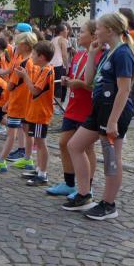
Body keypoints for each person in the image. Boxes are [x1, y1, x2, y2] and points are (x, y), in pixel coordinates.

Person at [63, 12, 134, 220]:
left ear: (110, 30)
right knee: (74, 145)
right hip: (99, 109)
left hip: (114, 112)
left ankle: (109, 204)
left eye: (98, 28)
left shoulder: (123, 53)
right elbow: (89, 80)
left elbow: (124, 90)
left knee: (112, 158)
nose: (96, 32)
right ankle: (84, 195)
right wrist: (91, 53)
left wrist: (113, 121)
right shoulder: (108, 52)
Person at [46, 20, 101, 197]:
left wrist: (81, 84)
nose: (78, 34)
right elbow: (74, 75)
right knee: (63, 143)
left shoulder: (100, 56)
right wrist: (67, 80)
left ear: (93, 35)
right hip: (73, 106)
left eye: (82, 31)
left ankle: (87, 187)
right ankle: (69, 183)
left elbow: (97, 86)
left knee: (87, 148)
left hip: (88, 108)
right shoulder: (79, 54)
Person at [0, 32, 37, 173]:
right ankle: (28, 159)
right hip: (25, 102)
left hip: (17, 102)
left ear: (25, 46)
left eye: (18, 44)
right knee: (27, 131)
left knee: (11, 133)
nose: (14, 46)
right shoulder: (31, 61)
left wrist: (7, 100)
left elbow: (12, 85)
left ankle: (1, 162)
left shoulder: (21, 63)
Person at [17, 40, 56, 186]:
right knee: (39, 143)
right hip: (36, 112)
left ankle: (42, 174)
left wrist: (25, 76)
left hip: (41, 113)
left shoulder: (47, 71)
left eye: (34, 54)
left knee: (40, 143)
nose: (31, 56)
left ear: (42, 57)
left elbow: (35, 91)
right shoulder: (42, 69)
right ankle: (39, 169)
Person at [50, 23, 70, 103]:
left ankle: (54, 103)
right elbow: (64, 55)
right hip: (59, 65)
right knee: (61, 86)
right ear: (62, 32)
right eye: (66, 30)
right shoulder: (62, 39)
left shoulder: (53, 40)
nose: (67, 31)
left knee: (54, 85)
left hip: (51, 65)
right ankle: (59, 105)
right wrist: (67, 67)